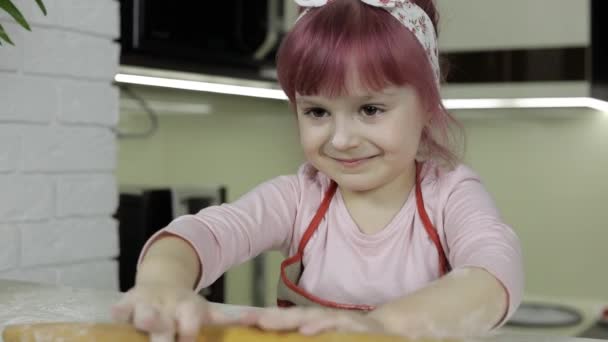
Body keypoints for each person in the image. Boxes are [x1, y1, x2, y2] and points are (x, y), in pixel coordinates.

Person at [112, 0, 524, 340]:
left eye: (370, 109)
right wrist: (162, 284)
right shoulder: (299, 197)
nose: (341, 138)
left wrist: (379, 329)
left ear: (427, 105)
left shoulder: (449, 195)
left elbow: (492, 275)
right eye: (317, 111)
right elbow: (204, 234)